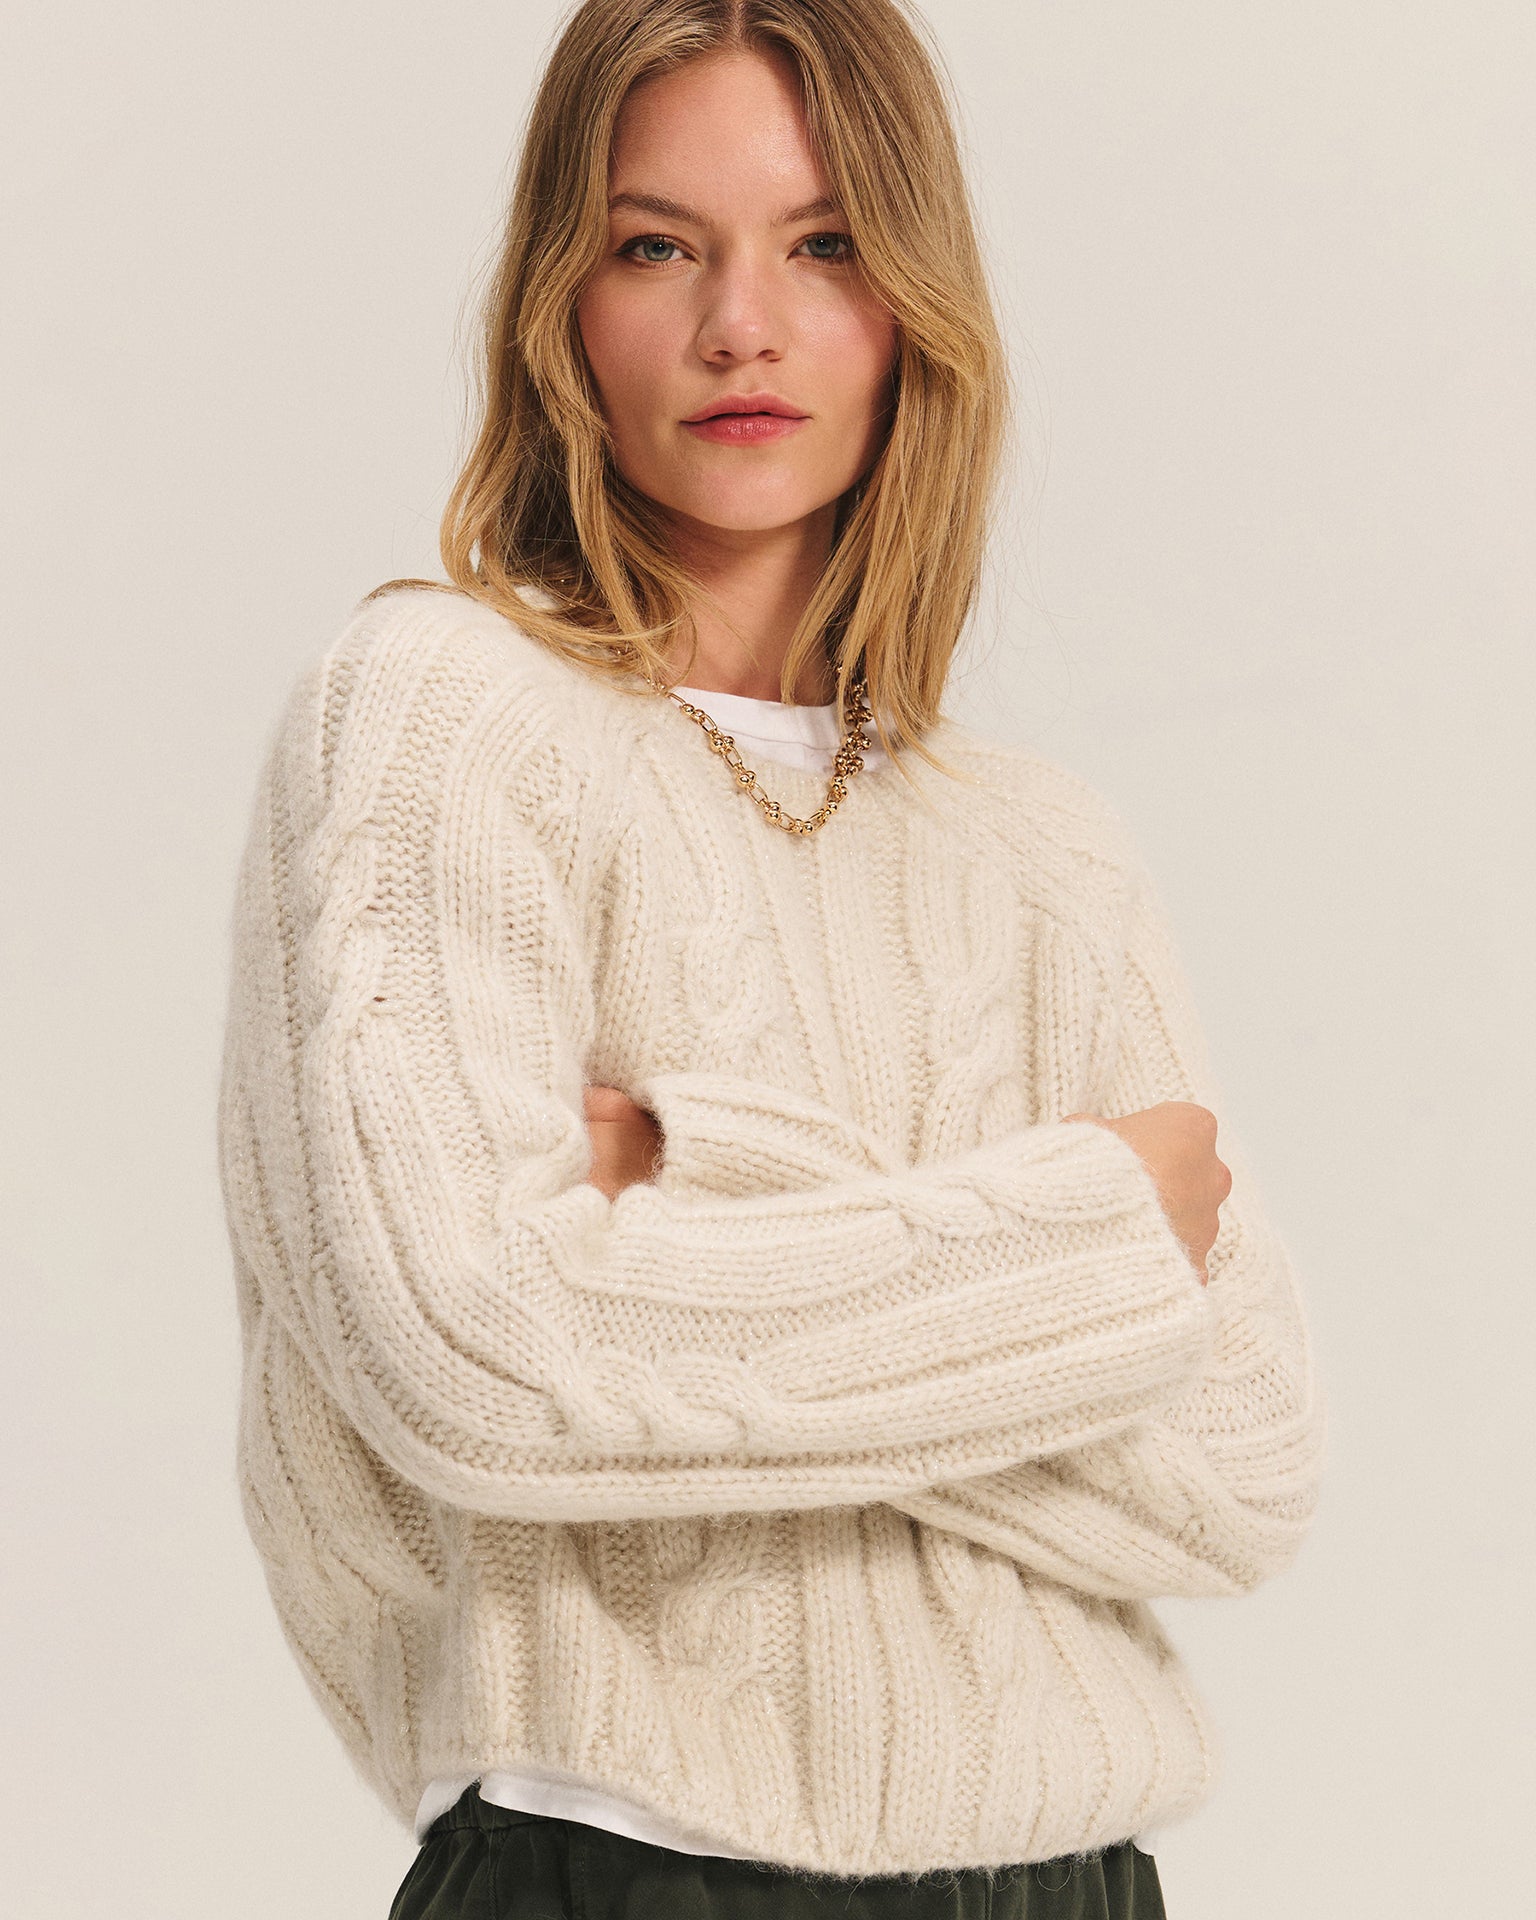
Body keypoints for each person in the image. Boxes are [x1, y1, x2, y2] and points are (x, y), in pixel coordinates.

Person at [215, 2, 1325, 1914]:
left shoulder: (1041, 846)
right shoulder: (435, 717)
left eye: (824, 245)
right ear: (562, 306)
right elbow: (480, 1359)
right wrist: (1087, 1251)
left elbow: (1244, 1465)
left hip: (1078, 1885)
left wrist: (695, 1176)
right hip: (627, 1869)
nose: (743, 324)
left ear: (913, 305)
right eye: (659, 244)